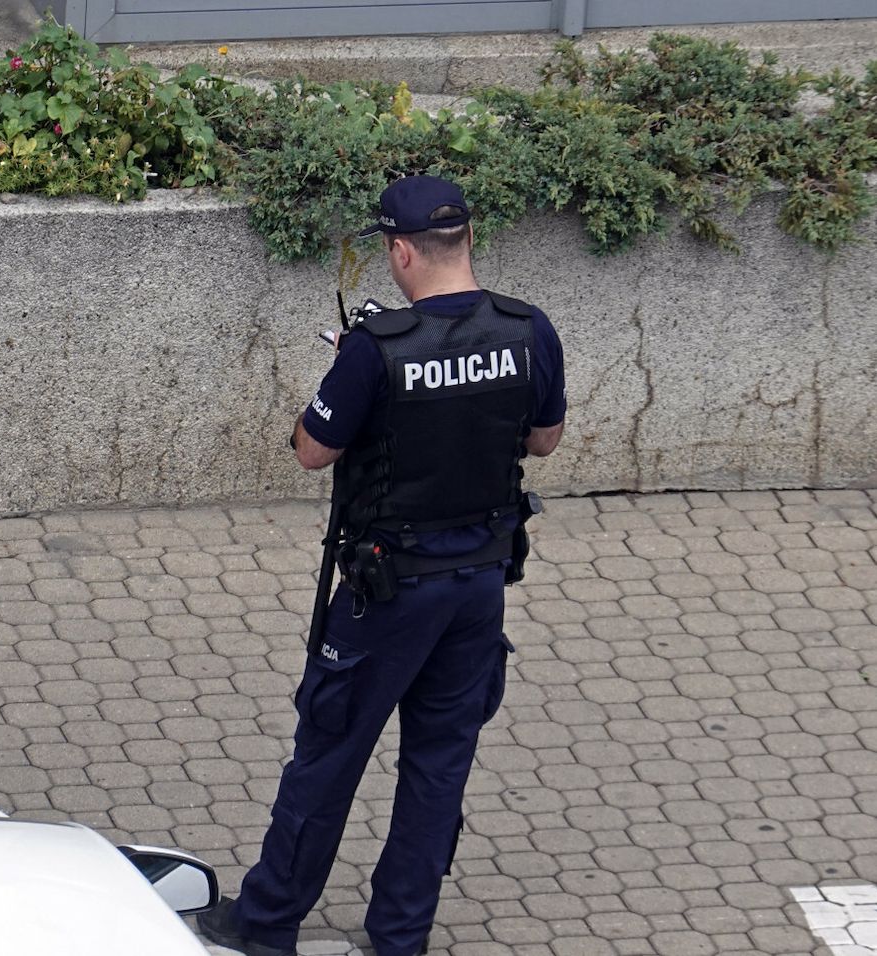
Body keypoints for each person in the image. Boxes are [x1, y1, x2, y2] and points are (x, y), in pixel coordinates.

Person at [198, 175, 566, 956]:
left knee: (327, 757)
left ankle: (265, 926)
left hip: (386, 592)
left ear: (401, 252)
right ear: (466, 242)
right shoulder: (529, 331)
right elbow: (543, 440)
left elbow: (311, 450)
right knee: (438, 769)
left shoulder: (374, 350)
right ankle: (399, 938)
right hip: (479, 586)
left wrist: (349, 377)